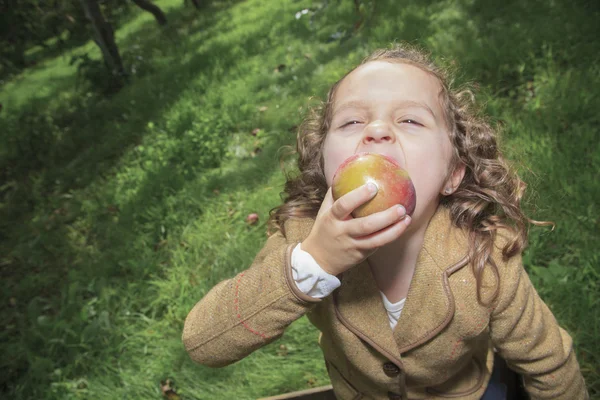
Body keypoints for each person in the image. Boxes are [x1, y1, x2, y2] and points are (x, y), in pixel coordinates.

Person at [182, 43, 589, 400]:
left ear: (452, 174)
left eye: (410, 120)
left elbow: (548, 363)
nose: (376, 131)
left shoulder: (489, 257)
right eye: (351, 122)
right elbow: (204, 344)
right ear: (324, 165)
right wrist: (314, 263)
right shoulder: (304, 241)